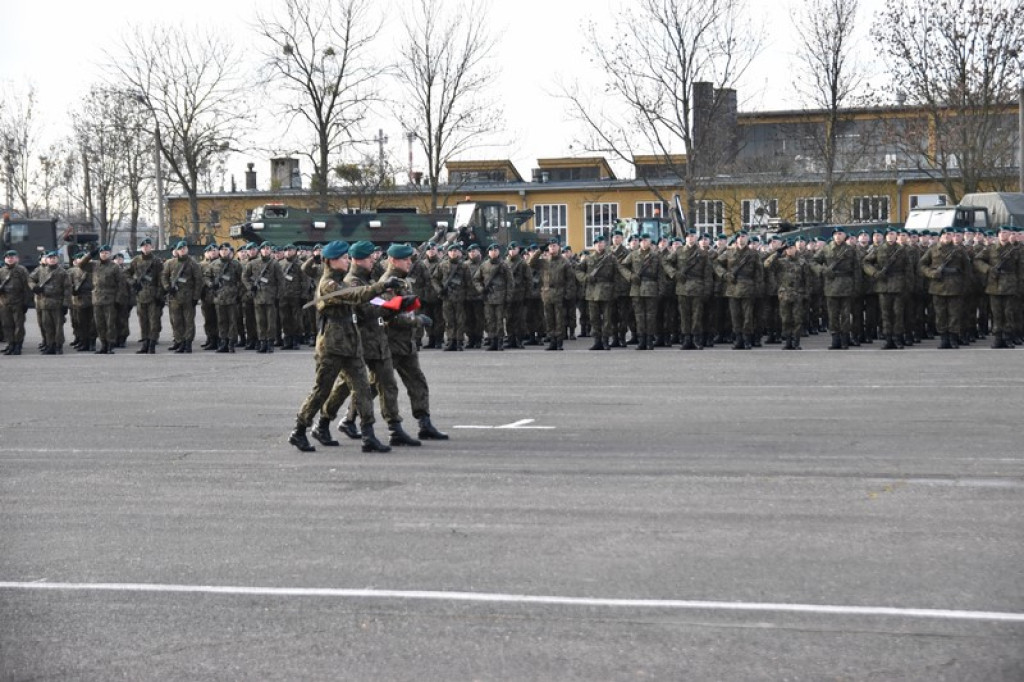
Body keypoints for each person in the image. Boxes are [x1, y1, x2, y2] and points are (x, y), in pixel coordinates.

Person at [291, 240, 401, 454]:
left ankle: (368, 435)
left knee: (363, 391)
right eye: (342, 258)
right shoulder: (328, 284)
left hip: (351, 345)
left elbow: (361, 297)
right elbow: (356, 295)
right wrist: (383, 285)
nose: (346, 260)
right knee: (321, 391)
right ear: (331, 261)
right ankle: (299, 430)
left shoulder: (341, 281)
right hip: (331, 347)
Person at [324, 240, 421, 447]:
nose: (373, 260)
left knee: (388, 384)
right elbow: (367, 310)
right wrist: (394, 306)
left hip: (377, 340)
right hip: (359, 340)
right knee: (346, 388)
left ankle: (395, 428)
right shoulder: (352, 282)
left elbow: (377, 304)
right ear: (359, 260)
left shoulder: (369, 278)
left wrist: (395, 304)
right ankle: (324, 422)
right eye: (369, 258)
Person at [378, 242, 449, 440]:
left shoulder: (403, 281)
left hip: (406, 343)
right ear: (393, 260)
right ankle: (351, 420)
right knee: (379, 387)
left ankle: (424, 423)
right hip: (391, 343)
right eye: (405, 259)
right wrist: (417, 321)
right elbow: (389, 316)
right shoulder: (388, 283)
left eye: (410, 258)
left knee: (418, 382)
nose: (410, 262)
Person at [919, 227, 972, 349]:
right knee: (940, 314)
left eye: (950, 234)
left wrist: (965, 285)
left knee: (954, 314)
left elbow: (967, 270)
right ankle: (944, 338)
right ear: (941, 236)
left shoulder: (959, 250)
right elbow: (921, 265)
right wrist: (931, 273)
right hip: (938, 286)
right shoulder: (933, 249)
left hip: (955, 286)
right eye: (945, 234)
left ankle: (953, 338)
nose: (947, 236)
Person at [862, 227, 912, 349]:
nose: (890, 236)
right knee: (885, 314)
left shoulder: (902, 250)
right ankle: (888, 338)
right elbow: (866, 263)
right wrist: (874, 273)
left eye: (892, 234)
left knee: (898, 313)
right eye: (888, 234)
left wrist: (908, 286)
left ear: (896, 236)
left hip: (899, 285)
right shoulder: (879, 249)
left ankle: (897, 338)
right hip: (883, 285)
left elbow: (909, 270)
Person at [663, 229, 713, 350]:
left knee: (697, 315)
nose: (690, 238)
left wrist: (707, 289)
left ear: (696, 238)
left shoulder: (702, 253)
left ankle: (696, 338)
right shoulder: (679, 251)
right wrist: (674, 273)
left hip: (697, 287)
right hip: (683, 287)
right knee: (684, 315)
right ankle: (686, 338)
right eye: (688, 236)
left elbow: (707, 273)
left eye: (693, 236)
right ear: (685, 238)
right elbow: (666, 262)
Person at [973, 225, 1022, 348]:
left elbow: (1020, 270)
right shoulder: (991, 249)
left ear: (1009, 234)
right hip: (994, 285)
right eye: (1000, 233)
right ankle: (998, 338)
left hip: (1010, 285)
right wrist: (989, 269)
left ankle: (1007, 337)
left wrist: (1018, 284)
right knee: (996, 313)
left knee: (1009, 313)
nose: (1002, 235)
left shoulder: (1016, 250)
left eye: (1005, 232)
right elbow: (977, 260)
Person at [812, 227, 860, 350]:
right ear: (833, 236)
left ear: (845, 236)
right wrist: (823, 270)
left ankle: (845, 340)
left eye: (840, 234)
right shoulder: (826, 249)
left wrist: (857, 286)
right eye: (836, 234)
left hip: (846, 285)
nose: (838, 236)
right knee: (832, 315)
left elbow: (856, 269)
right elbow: (813, 262)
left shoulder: (850, 250)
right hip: (831, 285)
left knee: (845, 315)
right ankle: (835, 340)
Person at [714, 232, 764, 350]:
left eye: (744, 237)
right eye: (740, 237)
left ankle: (747, 340)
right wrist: (724, 275)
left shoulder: (753, 253)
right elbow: (716, 263)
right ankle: (738, 339)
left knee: (747, 316)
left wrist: (757, 287)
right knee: (735, 316)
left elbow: (759, 271)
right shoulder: (729, 252)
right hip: (732, 287)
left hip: (748, 287)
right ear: (736, 239)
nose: (742, 239)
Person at [528, 237, 575, 350]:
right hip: (547, 293)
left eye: (554, 246)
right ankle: (552, 341)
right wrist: (540, 250)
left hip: (559, 293)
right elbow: (530, 263)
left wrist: (568, 295)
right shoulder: (545, 261)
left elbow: (570, 280)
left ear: (558, 247)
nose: (552, 248)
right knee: (549, 318)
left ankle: (559, 342)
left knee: (559, 319)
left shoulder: (564, 262)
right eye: (550, 246)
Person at [80, 245, 125, 354]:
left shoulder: (114, 267)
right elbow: (81, 265)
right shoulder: (94, 265)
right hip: (97, 298)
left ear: (110, 254)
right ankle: (103, 344)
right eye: (102, 253)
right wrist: (90, 254)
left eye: (106, 253)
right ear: (99, 254)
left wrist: (118, 299)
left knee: (110, 324)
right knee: (99, 324)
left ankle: (110, 345)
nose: (104, 254)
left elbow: (121, 284)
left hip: (110, 298)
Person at [575, 235, 616, 350]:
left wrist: (615, 290)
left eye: (601, 242)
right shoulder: (588, 258)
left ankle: (606, 340)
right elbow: (578, 270)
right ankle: (597, 341)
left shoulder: (611, 258)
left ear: (604, 244)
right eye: (596, 243)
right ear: (594, 245)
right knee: (594, 318)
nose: (599, 244)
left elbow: (617, 274)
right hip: (592, 292)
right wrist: (586, 278)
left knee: (607, 318)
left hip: (607, 291)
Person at [161, 240, 203, 353]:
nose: (182, 250)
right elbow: (164, 276)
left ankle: (188, 343)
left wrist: (196, 297)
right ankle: (180, 342)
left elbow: (198, 281)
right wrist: (167, 287)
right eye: (180, 249)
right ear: (177, 251)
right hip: (174, 297)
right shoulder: (170, 263)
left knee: (189, 321)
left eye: (184, 248)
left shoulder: (193, 263)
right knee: (176, 321)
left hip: (188, 297)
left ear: (187, 249)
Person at [243, 241, 284, 353]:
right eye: (264, 248)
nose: (266, 250)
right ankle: (262, 342)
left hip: (271, 296)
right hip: (258, 296)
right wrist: (250, 287)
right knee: (260, 321)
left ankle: (270, 342)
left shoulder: (275, 264)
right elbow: (245, 277)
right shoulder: (253, 263)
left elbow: (281, 281)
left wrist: (278, 295)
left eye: (268, 248)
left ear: (270, 250)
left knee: (271, 321)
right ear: (260, 250)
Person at [126, 237, 165, 354]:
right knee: (143, 321)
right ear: (141, 248)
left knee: (154, 321)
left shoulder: (156, 261)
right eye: (144, 246)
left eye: (148, 246)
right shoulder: (136, 260)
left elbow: (161, 278)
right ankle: (145, 344)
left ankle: (152, 344)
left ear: (151, 247)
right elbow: (126, 273)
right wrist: (133, 283)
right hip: (141, 294)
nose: (146, 247)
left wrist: (159, 294)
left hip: (153, 295)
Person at [28, 251, 71, 354]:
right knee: (47, 325)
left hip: (57, 302)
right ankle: (50, 345)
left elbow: (67, 289)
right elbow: (30, 279)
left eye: (54, 258)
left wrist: (66, 304)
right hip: (44, 302)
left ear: (57, 259)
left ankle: (58, 346)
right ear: (46, 259)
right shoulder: (40, 270)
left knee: (58, 326)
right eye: (50, 257)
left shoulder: (62, 272)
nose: (52, 259)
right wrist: (34, 287)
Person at [473, 243, 513, 350]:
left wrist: (508, 297)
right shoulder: (484, 265)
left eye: (495, 250)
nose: (493, 252)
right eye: (491, 250)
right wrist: (481, 289)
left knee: (499, 320)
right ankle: (492, 341)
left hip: (500, 297)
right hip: (488, 297)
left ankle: (500, 341)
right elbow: (476, 279)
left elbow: (510, 282)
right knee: (490, 320)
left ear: (499, 252)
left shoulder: (504, 265)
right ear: (488, 252)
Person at [433, 243, 471, 351]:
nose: (453, 253)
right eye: (451, 251)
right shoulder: (442, 265)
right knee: (449, 320)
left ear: (459, 252)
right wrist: (439, 289)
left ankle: (459, 341)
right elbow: (435, 279)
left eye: (455, 251)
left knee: (460, 320)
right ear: (448, 253)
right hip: (447, 297)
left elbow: (468, 282)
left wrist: (466, 295)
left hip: (460, 297)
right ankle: (450, 340)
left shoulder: (464, 266)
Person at [0, 250, 31, 355]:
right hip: (5, 302)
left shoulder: (22, 270)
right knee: (7, 325)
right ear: (5, 259)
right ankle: (10, 344)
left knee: (18, 325)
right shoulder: (1, 271)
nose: (10, 259)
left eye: (12, 257)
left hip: (18, 302)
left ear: (17, 259)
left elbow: (27, 287)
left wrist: (26, 302)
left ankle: (18, 345)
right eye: (8, 257)